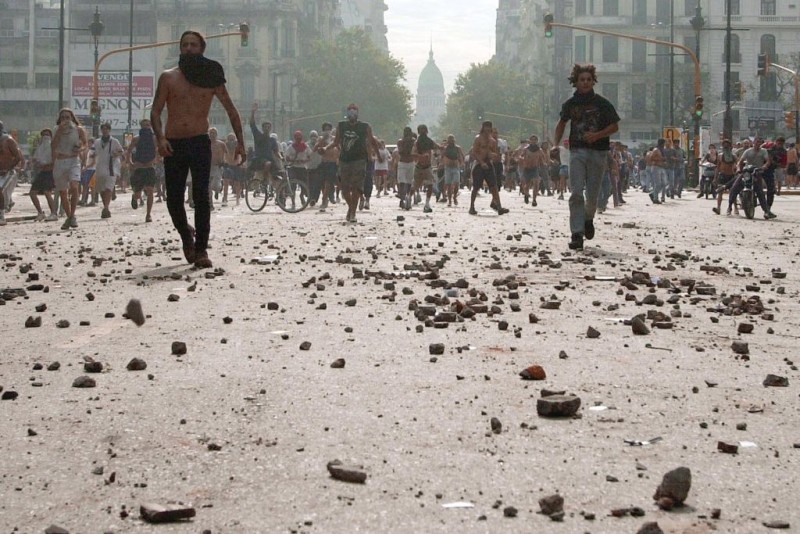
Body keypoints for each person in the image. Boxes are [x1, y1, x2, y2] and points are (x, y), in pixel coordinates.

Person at [150, 30, 246, 268]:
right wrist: (160, 138)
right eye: (185, 45)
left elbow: (231, 110)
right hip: (174, 143)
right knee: (173, 198)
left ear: (202, 49)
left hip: (200, 142)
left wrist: (242, 143)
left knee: (202, 196)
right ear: (180, 48)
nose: (189, 48)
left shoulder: (211, 76)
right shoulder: (168, 77)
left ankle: (201, 249)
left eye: (194, 45)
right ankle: (186, 235)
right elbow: (155, 111)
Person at [553, 63, 620, 250]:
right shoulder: (570, 104)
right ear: (576, 82)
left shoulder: (602, 103)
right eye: (582, 80)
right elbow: (561, 124)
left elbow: (615, 126)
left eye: (588, 80)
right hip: (577, 151)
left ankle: (588, 218)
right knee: (575, 193)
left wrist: (597, 135)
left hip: (598, 152)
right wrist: (555, 144)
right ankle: (576, 233)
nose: (585, 83)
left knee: (592, 195)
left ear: (593, 81)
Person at [327, 103, 382, 222]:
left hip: (359, 160)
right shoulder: (341, 126)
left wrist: (378, 155)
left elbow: (372, 141)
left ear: (358, 113)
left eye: (354, 111)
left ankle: (353, 213)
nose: (352, 113)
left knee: (356, 188)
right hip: (344, 160)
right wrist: (326, 148)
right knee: (345, 188)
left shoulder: (365, 126)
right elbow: (336, 142)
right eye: (350, 111)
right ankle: (351, 207)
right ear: (347, 113)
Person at [51, 108, 88, 230]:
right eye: (63, 118)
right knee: (63, 191)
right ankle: (70, 216)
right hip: (60, 161)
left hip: (73, 160)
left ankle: (72, 214)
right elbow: (53, 145)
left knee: (74, 186)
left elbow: (85, 144)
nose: (65, 120)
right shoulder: (56, 130)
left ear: (72, 118)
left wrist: (80, 148)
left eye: (68, 117)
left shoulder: (78, 130)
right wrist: (60, 131)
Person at [731, 137, 776, 220]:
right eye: (756, 142)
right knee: (735, 187)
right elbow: (740, 161)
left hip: (757, 172)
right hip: (747, 172)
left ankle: (766, 211)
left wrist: (764, 166)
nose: (758, 143)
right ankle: (729, 207)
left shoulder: (763, 151)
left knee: (760, 191)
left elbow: (767, 161)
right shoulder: (748, 151)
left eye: (759, 142)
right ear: (753, 142)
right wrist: (738, 169)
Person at [469, 121, 508, 215]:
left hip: (489, 165)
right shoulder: (478, 139)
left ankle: (499, 207)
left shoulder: (493, 141)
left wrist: (493, 155)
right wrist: (481, 162)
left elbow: (495, 154)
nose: (487, 130)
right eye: (486, 128)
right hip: (479, 164)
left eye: (489, 128)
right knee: (476, 187)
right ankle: (472, 207)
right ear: (483, 128)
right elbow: (474, 152)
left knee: (494, 186)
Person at [127, 119, 159, 222]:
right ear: (141, 126)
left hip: (150, 167)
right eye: (144, 125)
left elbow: (159, 149)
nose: (146, 127)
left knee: (150, 191)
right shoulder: (136, 139)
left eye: (148, 125)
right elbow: (129, 151)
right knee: (138, 193)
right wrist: (130, 163)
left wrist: (156, 159)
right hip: (139, 168)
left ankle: (148, 214)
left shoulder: (154, 139)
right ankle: (134, 197)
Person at [91, 123, 124, 219]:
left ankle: (106, 207)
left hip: (111, 168)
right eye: (103, 129)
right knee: (102, 189)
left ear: (109, 130)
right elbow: (92, 153)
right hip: (100, 167)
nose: (105, 131)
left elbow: (121, 151)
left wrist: (115, 153)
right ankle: (106, 205)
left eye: (107, 129)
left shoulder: (114, 141)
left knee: (108, 188)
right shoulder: (97, 142)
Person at [29, 128, 58, 221]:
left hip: (50, 172)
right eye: (43, 135)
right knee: (32, 192)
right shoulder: (40, 147)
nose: (45, 137)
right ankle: (40, 213)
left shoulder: (54, 147)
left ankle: (54, 213)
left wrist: (46, 164)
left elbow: (55, 161)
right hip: (41, 172)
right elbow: (35, 158)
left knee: (47, 192)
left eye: (47, 134)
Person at [0, 121, 24, 225]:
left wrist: (8, 168)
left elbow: (18, 157)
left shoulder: (8, 140)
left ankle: (1, 215)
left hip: (7, 172)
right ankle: (8, 203)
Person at [412, 124, 438, 213]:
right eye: (421, 130)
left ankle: (427, 203)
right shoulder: (417, 143)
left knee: (430, 185)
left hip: (427, 167)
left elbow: (437, 147)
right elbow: (413, 153)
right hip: (419, 167)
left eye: (424, 130)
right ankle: (408, 199)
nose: (423, 132)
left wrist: (443, 147)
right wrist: (421, 156)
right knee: (416, 185)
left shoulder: (430, 142)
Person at [440, 135, 464, 207]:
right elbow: (442, 156)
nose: (451, 141)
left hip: (456, 167)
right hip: (448, 168)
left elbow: (462, 155)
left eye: (452, 140)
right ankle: (450, 200)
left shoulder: (457, 148)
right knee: (449, 185)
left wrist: (462, 163)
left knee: (456, 183)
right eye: (450, 140)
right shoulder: (445, 148)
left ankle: (455, 197)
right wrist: (442, 163)